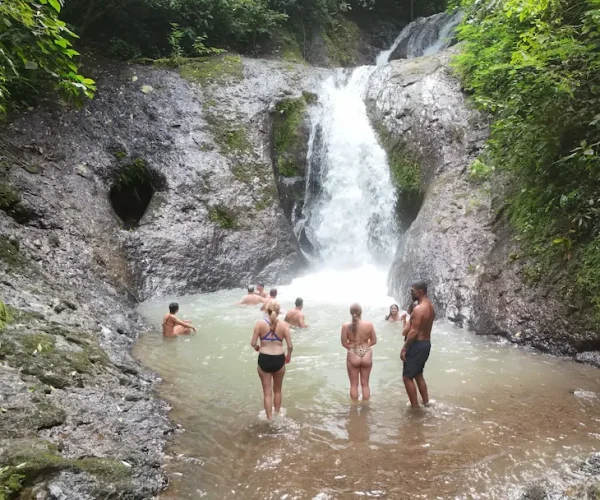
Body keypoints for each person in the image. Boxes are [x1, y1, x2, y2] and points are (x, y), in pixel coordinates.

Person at [250, 300, 293, 420]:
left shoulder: (259, 324)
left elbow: (253, 343)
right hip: (279, 359)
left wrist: (257, 347)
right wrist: (288, 356)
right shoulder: (284, 325)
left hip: (264, 358)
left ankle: (269, 419)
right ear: (279, 311)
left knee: (267, 393)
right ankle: (278, 414)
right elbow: (290, 346)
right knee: (278, 390)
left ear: (267, 310)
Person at [401, 282, 435, 408]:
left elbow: (414, 331)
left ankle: (414, 408)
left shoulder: (419, 309)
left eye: (412, 291)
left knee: (407, 377)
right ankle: (426, 403)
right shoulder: (430, 306)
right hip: (426, 344)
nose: (411, 293)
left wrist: (404, 348)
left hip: (417, 345)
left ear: (420, 291)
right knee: (418, 373)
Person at [341, 303, 377, 401]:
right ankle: (365, 409)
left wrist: (354, 346)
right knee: (365, 384)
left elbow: (344, 343)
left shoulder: (345, 326)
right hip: (366, 352)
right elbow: (374, 341)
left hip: (353, 353)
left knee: (353, 384)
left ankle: (354, 408)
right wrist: (364, 346)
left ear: (351, 313)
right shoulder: (369, 325)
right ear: (361, 312)